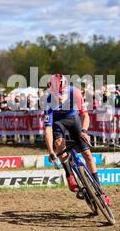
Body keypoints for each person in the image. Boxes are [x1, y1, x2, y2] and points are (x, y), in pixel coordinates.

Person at [44, 74, 112, 206]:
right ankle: (69, 174)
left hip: (73, 119)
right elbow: (48, 129)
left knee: (87, 154)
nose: (60, 95)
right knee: (59, 144)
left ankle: (100, 191)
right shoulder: (48, 102)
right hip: (58, 122)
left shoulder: (74, 92)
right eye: (56, 92)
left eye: (62, 91)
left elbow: (85, 115)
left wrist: (84, 131)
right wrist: (51, 151)